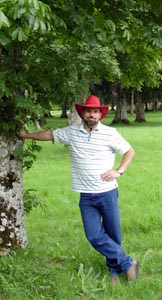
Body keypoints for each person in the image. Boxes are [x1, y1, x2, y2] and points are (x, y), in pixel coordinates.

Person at [17, 95, 139, 285]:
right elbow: (50, 134)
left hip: (107, 192)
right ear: (82, 113)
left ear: (100, 114)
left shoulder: (110, 133)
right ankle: (129, 263)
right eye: (88, 111)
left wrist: (119, 171)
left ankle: (115, 270)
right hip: (86, 196)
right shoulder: (71, 132)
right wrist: (26, 135)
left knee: (113, 234)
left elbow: (129, 151)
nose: (92, 114)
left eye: (95, 111)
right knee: (94, 236)